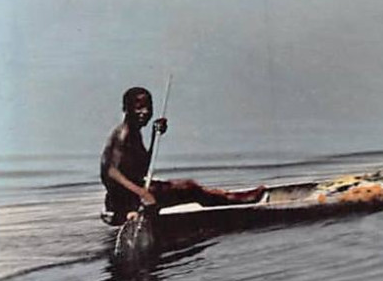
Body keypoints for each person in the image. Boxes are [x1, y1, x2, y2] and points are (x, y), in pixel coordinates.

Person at [100, 86, 265, 224]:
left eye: (148, 107)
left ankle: (230, 198)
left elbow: (141, 169)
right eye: (138, 107)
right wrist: (141, 195)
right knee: (190, 187)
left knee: (187, 188)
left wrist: (154, 136)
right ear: (125, 109)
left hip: (128, 194)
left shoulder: (134, 133)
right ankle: (237, 200)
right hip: (125, 198)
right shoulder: (124, 135)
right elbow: (111, 172)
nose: (145, 112)